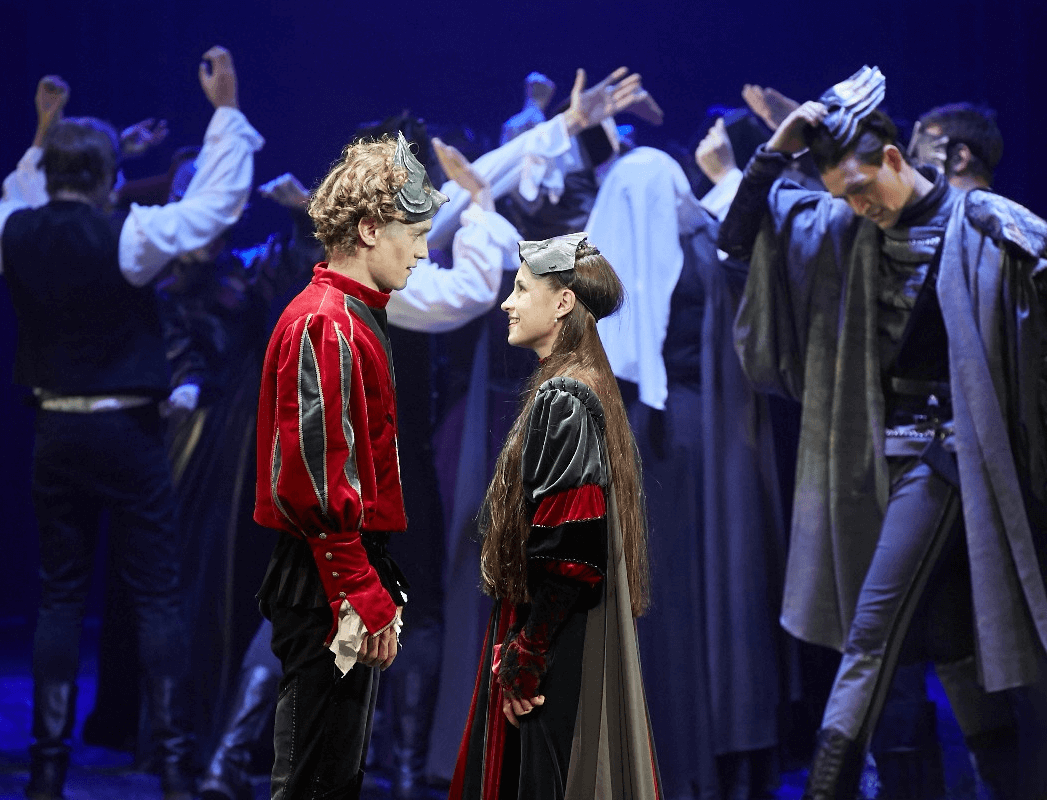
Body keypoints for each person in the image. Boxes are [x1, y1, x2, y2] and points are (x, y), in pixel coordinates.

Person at [717, 66, 1047, 800]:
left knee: (872, 635)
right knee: (951, 648)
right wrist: (775, 149)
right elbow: (738, 239)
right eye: (843, 195)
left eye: (863, 188)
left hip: (956, 460)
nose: (858, 205)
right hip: (879, 462)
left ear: (895, 158)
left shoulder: (981, 221)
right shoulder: (844, 227)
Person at [0, 46, 262, 800]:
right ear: (109, 180)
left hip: (56, 432)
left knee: (60, 597)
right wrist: (226, 113)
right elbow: (214, 207)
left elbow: (18, 193)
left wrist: (42, 133)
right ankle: (172, 765)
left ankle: (47, 770)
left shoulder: (11, 230)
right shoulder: (129, 236)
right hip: (128, 435)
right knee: (157, 595)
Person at [587, 134, 789, 800]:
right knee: (700, 592)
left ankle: (665, 757)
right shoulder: (701, 250)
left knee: (667, 596)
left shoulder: (610, 273)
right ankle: (705, 754)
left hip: (659, 434)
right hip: (700, 434)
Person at [252, 129, 448, 800]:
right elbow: (314, 474)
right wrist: (355, 586)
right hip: (324, 572)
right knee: (313, 780)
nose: (422, 252)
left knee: (332, 777)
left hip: (339, 566)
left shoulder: (352, 316)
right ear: (369, 229)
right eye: (414, 234)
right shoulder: (326, 322)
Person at [449, 232, 661, 799]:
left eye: (521, 289)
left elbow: (572, 551)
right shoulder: (584, 382)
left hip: (555, 645)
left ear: (563, 302)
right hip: (562, 634)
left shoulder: (564, 396)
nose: (507, 303)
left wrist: (527, 653)